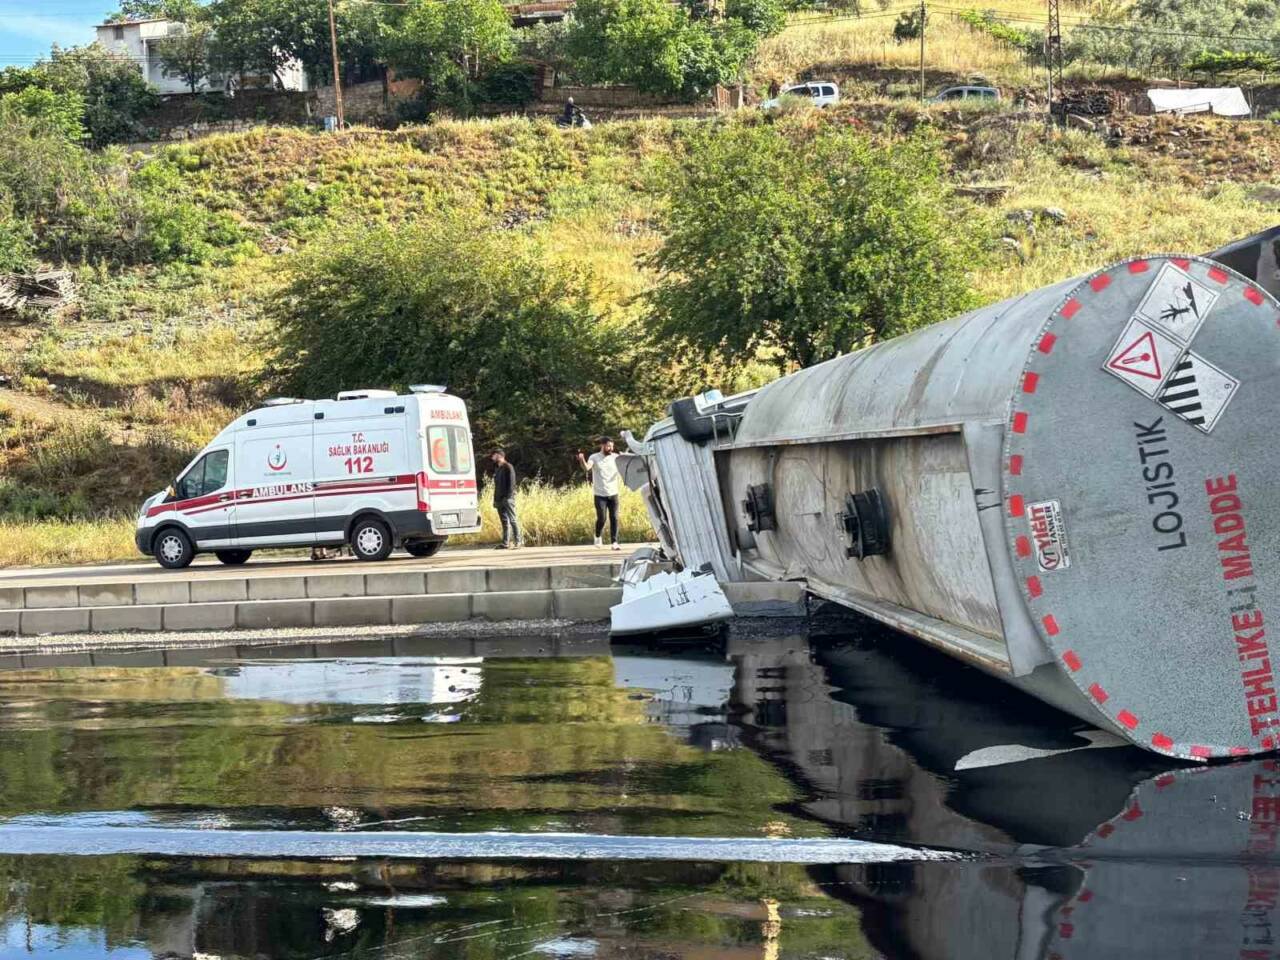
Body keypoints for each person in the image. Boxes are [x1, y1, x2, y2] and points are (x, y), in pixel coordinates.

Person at [577, 436, 622, 551]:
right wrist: (582, 460)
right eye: (608, 446)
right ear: (602, 446)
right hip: (600, 494)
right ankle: (597, 536)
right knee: (602, 518)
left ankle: (614, 542)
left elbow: (623, 468)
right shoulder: (594, 457)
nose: (610, 448)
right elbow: (587, 468)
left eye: (612, 446)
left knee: (615, 518)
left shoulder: (615, 457)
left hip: (614, 493)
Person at [490, 450, 522, 549]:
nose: (492, 457)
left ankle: (518, 541)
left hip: (507, 499)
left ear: (500, 456)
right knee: (504, 522)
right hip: (499, 499)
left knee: (512, 519)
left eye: (494, 455)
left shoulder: (508, 467)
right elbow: (497, 486)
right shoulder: (497, 468)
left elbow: (512, 484)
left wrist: (508, 497)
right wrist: (495, 500)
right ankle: (505, 543)